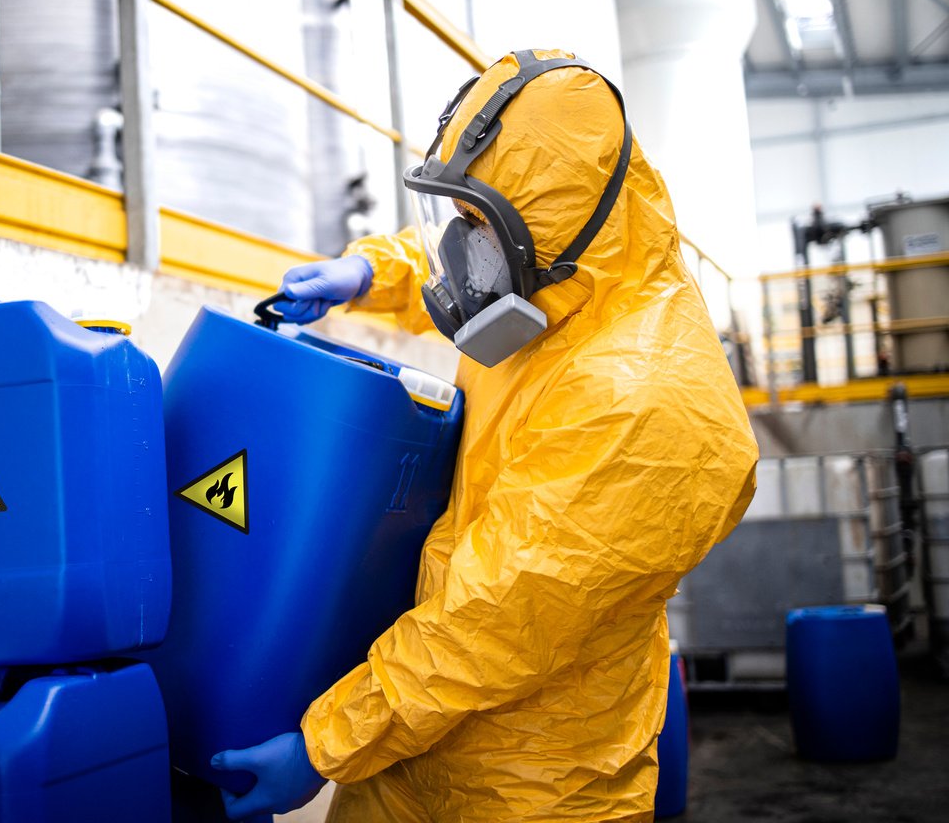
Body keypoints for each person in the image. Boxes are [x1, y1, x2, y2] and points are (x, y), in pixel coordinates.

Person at [209, 49, 759, 822]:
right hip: (413, 740)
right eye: (459, 216)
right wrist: (368, 274)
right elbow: (482, 246)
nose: (462, 246)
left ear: (555, 226)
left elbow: (497, 620)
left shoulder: (644, 402)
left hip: (535, 782)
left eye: (478, 223)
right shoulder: (556, 290)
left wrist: (325, 746)